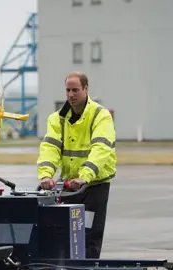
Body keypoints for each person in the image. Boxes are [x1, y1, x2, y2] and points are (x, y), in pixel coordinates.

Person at [37, 71, 116, 259]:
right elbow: (50, 147)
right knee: (65, 235)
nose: (71, 94)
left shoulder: (100, 115)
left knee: (89, 235)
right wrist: (46, 175)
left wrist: (85, 176)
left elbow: (100, 149)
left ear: (86, 89)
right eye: (68, 90)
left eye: (75, 90)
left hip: (94, 185)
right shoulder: (57, 118)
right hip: (69, 186)